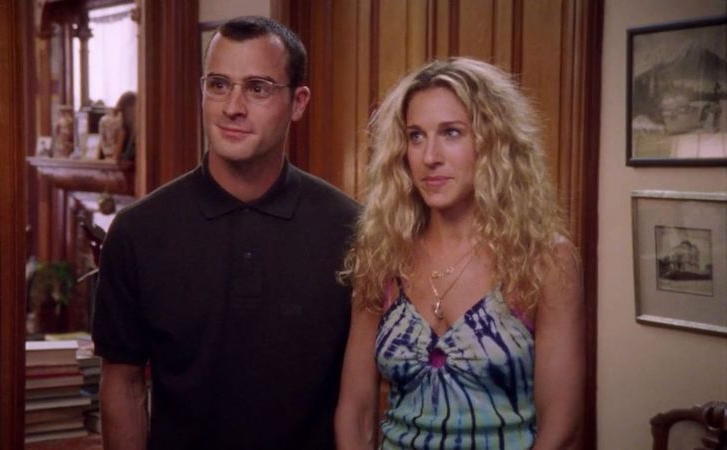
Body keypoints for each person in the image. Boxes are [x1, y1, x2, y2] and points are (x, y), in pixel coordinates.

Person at [92, 16, 359, 449]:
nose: (233, 107)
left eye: (257, 88)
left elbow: (365, 400)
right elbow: (123, 384)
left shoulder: (351, 230)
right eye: (218, 85)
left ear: (298, 102)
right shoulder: (138, 232)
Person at [334, 57, 585, 449]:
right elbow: (356, 411)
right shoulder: (382, 254)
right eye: (416, 136)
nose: (429, 156)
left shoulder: (544, 259)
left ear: (493, 143)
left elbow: (562, 426)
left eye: (451, 133)